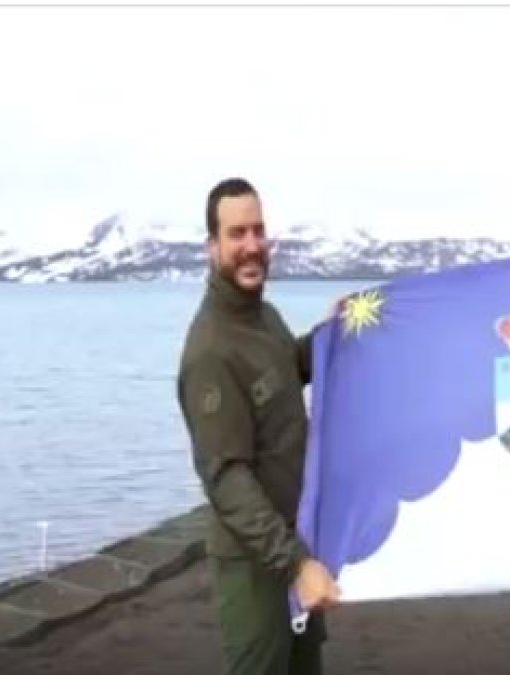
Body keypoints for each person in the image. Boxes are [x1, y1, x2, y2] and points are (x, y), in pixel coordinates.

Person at [176, 177, 341, 675]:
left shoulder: (263, 317)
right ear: (213, 246)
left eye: (258, 230)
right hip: (256, 568)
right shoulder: (210, 350)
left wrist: (335, 337)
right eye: (236, 233)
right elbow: (225, 477)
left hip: (296, 544)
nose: (251, 246)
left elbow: (289, 369)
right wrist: (296, 564)